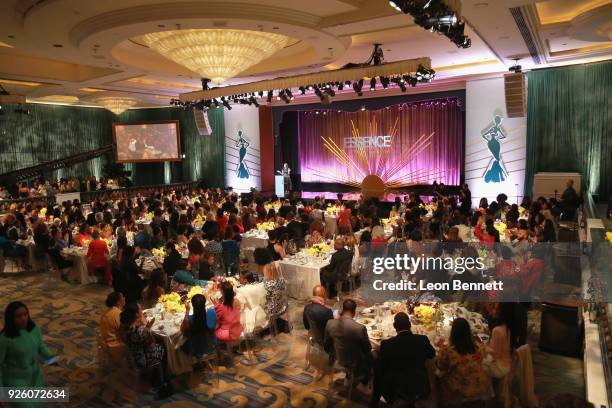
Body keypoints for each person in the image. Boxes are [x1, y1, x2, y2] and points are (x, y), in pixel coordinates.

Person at [370, 312, 435, 407]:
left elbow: (381, 370)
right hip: (419, 384)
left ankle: (375, 402)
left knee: (379, 368)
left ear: (394, 326)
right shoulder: (422, 340)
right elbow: (432, 354)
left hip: (395, 387)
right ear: (409, 325)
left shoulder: (387, 345)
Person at [120, 303, 174, 399]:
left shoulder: (126, 325)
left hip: (132, 354)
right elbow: (152, 346)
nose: (142, 311)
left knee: (161, 344)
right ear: (136, 314)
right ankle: (163, 382)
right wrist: (148, 330)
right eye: (140, 310)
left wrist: (145, 328)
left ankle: (157, 375)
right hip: (142, 358)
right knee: (165, 348)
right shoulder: (140, 330)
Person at [0, 301, 57, 388]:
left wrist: (50, 358)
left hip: (36, 375)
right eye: (18, 316)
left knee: (37, 401)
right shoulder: (4, 339)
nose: (24, 318)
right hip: (16, 380)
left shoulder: (34, 329)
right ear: (10, 319)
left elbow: (40, 346)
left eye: (25, 314)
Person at [435, 318, 490, 406]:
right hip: (479, 385)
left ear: (453, 333)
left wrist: (441, 347)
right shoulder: (479, 347)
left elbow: (441, 366)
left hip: (460, 390)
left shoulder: (449, 351)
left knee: (437, 378)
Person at [324, 299, 372, 383]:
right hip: (353, 363)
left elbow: (326, 344)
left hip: (336, 358)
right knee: (375, 355)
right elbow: (367, 349)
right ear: (354, 312)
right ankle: (366, 378)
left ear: (343, 310)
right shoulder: (360, 328)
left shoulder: (330, 323)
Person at [99, 291, 126, 361]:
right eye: (122, 297)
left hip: (105, 342)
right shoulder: (119, 314)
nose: (124, 298)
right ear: (118, 302)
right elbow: (124, 333)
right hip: (115, 345)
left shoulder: (105, 313)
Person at [263, 262, 289, 333]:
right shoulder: (282, 280)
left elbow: (264, 296)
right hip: (283, 305)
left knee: (256, 306)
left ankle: (266, 327)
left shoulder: (267, 285)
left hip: (272, 309)